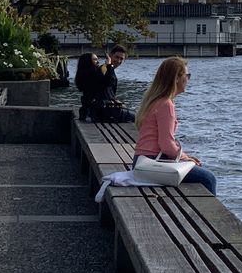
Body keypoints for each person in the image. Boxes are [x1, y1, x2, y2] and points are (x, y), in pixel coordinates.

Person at [133, 56, 216, 194]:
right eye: (187, 75)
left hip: (141, 161)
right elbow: (166, 145)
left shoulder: (153, 101)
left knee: (197, 170)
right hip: (154, 163)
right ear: (176, 78)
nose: (188, 79)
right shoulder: (166, 104)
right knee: (208, 178)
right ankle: (211, 215)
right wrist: (185, 158)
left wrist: (184, 156)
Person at [90, 44, 135, 123]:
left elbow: (105, 90)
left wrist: (114, 100)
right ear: (110, 56)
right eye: (117, 57)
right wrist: (109, 65)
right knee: (140, 117)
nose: (118, 61)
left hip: (106, 109)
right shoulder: (104, 69)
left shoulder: (109, 69)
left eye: (121, 59)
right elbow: (108, 82)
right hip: (103, 112)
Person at [73, 52, 102, 121]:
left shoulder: (81, 74)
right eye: (95, 59)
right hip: (95, 110)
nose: (98, 62)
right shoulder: (94, 74)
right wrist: (109, 67)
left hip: (86, 109)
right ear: (88, 62)